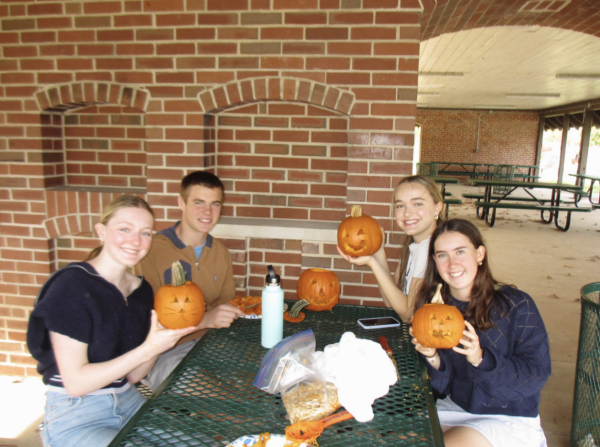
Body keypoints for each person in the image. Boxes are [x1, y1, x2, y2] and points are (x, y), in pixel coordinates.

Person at [27, 195, 199, 447]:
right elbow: (76, 383)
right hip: (77, 412)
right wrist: (147, 349)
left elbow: (133, 375)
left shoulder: (142, 291)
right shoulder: (71, 286)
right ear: (101, 231)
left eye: (145, 233)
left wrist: (160, 343)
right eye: (125, 229)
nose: (136, 241)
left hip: (128, 401)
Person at [410, 219, 551, 447]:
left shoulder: (517, 305)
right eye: (442, 255)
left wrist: (480, 358)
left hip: (509, 417)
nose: (452, 263)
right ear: (435, 261)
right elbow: (443, 386)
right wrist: (432, 356)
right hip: (458, 408)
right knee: (397, 438)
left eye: (460, 252)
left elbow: (536, 375)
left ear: (479, 254)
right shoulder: (435, 311)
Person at [135, 170, 243, 391]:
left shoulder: (220, 252)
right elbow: (145, 318)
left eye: (215, 204)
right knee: (205, 391)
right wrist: (203, 319)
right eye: (199, 202)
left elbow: (226, 305)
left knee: (254, 375)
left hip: (211, 344)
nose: (207, 212)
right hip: (163, 353)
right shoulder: (152, 250)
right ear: (181, 203)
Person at [337, 175, 444, 321]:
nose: (407, 213)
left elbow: (407, 314)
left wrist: (372, 263)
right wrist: (379, 254)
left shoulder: (429, 248)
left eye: (418, 204)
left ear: (437, 207)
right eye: (400, 205)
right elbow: (391, 301)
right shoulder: (413, 245)